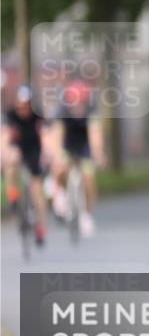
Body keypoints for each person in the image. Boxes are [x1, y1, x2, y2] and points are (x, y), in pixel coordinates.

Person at [50, 80, 105, 237]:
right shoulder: (62, 111)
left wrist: (98, 152)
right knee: (60, 166)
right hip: (67, 144)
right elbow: (57, 134)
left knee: (88, 179)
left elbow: (95, 134)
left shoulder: (92, 111)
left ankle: (87, 214)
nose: (77, 107)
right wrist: (57, 154)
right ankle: (60, 194)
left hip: (84, 146)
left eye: (80, 103)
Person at [2, 85, 49, 245]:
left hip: (34, 152)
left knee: (37, 190)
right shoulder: (10, 116)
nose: (23, 107)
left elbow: (45, 136)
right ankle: (13, 196)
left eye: (26, 103)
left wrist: (46, 155)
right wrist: (5, 153)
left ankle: (41, 228)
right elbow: (5, 136)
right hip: (17, 150)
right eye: (21, 103)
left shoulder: (38, 117)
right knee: (12, 159)